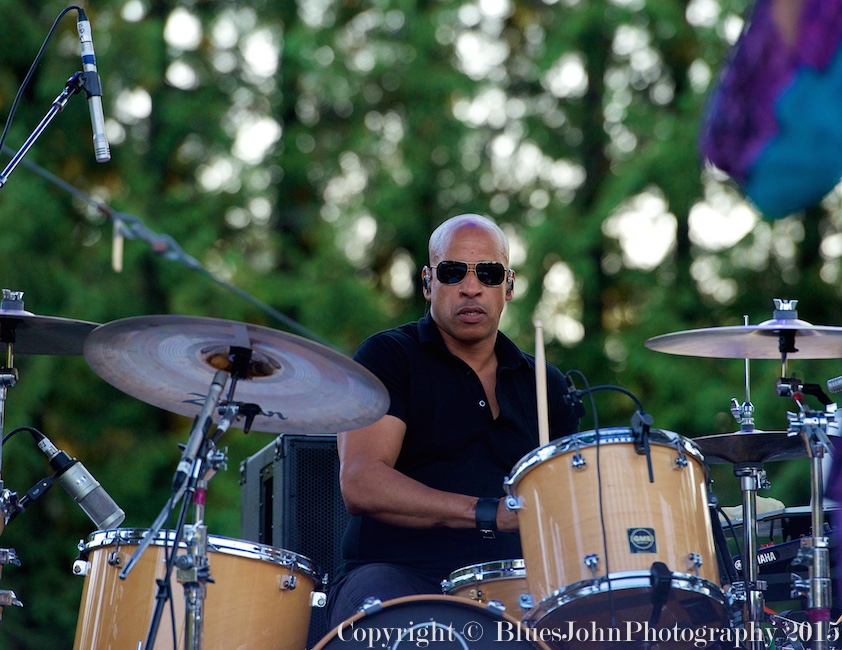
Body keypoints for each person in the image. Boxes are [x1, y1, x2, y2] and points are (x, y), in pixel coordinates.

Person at [325, 213, 580, 627]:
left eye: (489, 273)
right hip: (400, 574)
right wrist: (487, 512)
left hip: (515, 584)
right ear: (428, 282)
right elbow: (361, 481)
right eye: (452, 271)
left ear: (508, 286)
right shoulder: (389, 357)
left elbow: (571, 498)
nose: (471, 286)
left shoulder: (545, 383)